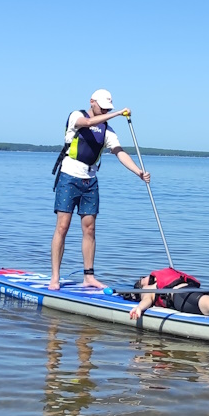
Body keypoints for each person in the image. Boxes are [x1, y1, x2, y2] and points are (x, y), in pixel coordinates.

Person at [50, 89, 150, 290]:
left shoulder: (107, 131)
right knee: (63, 226)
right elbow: (86, 124)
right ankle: (55, 277)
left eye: (108, 108)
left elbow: (119, 153)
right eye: (102, 106)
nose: (104, 110)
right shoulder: (77, 116)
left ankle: (89, 276)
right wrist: (118, 113)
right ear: (92, 102)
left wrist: (138, 172)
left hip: (90, 181)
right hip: (69, 176)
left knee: (90, 228)